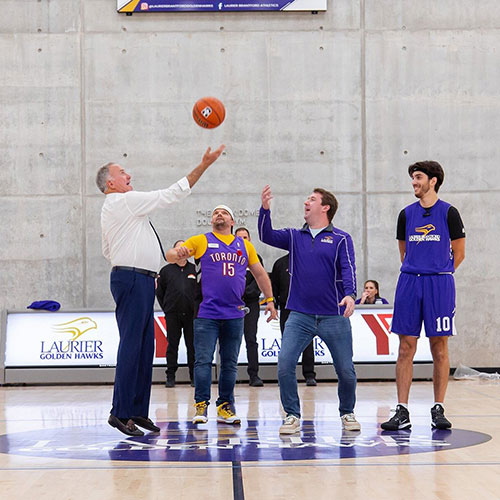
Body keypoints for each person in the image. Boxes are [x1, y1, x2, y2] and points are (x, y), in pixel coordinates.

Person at [97, 144, 225, 437]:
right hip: (132, 280)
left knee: (144, 348)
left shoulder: (123, 211)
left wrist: (148, 261)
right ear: (110, 183)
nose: (129, 174)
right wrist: (203, 164)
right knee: (132, 346)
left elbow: (108, 250)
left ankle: (137, 411)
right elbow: (172, 194)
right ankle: (119, 412)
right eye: (121, 172)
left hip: (137, 279)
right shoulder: (123, 202)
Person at [259, 185, 360, 434]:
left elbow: (348, 269)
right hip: (299, 314)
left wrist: (350, 295)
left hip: (333, 316)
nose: (306, 202)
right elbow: (266, 235)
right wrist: (264, 210)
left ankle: (347, 412)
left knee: (346, 371)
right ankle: (292, 415)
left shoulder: (340, 239)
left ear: (325, 207)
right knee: (284, 364)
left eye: (312, 199)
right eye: (307, 198)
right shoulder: (294, 236)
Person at [166, 205, 278, 425]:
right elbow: (171, 256)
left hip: (234, 313)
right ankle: (201, 405)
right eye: (215, 212)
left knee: (230, 363)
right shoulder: (201, 241)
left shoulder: (244, 246)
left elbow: (260, 274)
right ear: (211, 221)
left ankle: (225, 406)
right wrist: (175, 253)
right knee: (203, 361)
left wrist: (271, 300)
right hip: (207, 313)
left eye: (224, 212)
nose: (219, 214)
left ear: (232, 221)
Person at [381, 161, 465, 431]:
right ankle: (402, 411)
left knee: (439, 346)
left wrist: (438, 272)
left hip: (439, 284)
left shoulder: (450, 213)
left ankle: (438, 408)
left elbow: (459, 253)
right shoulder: (406, 215)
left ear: (434, 180)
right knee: (406, 346)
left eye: (418, 177)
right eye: (412, 178)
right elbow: (403, 253)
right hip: (409, 282)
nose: (414, 182)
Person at [271, 253, 317, 386]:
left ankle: (309, 374)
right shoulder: (280, 263)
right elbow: (274, 286)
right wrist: (273, 304)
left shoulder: (308, 260)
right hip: (286, 308)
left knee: (307, 342)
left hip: (305, 307)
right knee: (287, 343)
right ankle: (285, 375)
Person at [156, 240, 196, 388]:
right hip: (172, 314)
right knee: (172, 345)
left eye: (183, 248)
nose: (181, 251)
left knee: (192, 346)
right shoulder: (166, 271)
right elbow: (160, 293)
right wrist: (167, 308)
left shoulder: (194, 269)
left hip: (192, 315)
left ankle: (194, 377)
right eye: (177, 248)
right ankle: (170, 376)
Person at [234, 227, 264, 387]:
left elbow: (259, 281)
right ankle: (229, 376)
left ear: (250, 239)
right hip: (231, 304)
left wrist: (244, 293)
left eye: (246, 237)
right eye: (240, 238)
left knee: (251, 339)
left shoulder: (255, 258)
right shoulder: (229, 257)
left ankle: (254, 375)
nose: (243, 241)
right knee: (230, 340)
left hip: (251, 304)